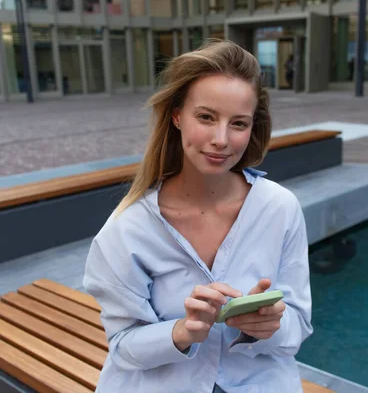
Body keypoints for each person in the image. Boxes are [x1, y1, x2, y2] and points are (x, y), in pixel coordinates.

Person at [83, 39, 313, 393]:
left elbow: (297, 326)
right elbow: (122, 346)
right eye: (206, 117)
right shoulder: (127, 229)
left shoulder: (280, 209)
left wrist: (267, 327)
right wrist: (182, 331)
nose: (221, 139)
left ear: (253, 127)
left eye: (238, 123)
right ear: (177, 116)